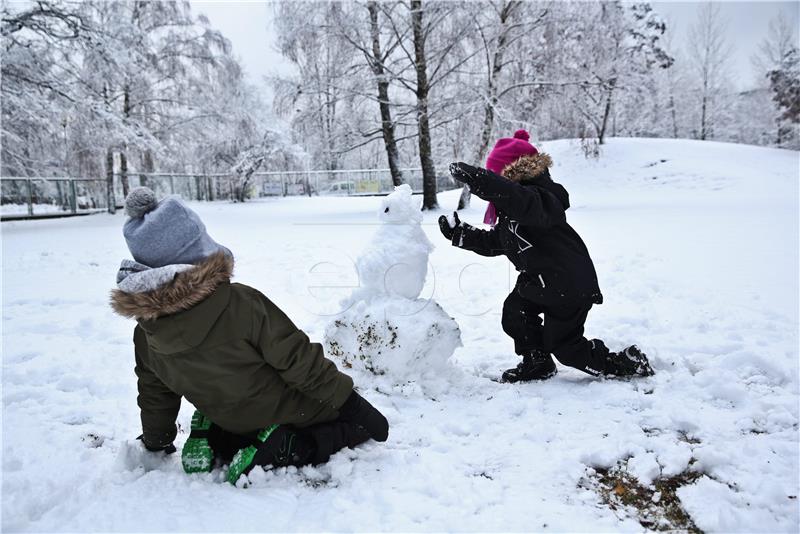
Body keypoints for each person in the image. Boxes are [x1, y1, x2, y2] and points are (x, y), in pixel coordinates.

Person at [110, 187, 388, 483]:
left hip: (227, 415)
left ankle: (219, 439)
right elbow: (300, 361)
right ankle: (287, 447)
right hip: (284, 410)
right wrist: (353, 404)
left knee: (237, 421)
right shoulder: (240, 304)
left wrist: (157, 440)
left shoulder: (146, 330)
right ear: (195, 249)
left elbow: (155, 392)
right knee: (351, 427)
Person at [439, 130, 654, 382]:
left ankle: (622, 364)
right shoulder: (511, 213)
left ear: (509, 176)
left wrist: (481, 180)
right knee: (515, 313)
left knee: (565, 347)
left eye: (497, 177)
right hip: (537, 281)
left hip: (568, 285)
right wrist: (461, 234)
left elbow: (521, 201)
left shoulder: (543, 199)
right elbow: (497, 242)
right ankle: (537, 362)